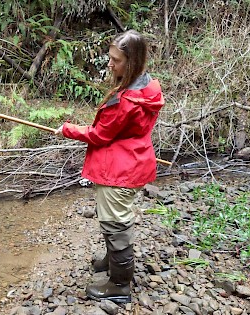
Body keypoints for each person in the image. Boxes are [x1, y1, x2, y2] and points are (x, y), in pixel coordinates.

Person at [54, 29, 165, 303]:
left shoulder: (126, 102)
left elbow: (99, 134)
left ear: (133, 62)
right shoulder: (148, 86)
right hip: (134, 160)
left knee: (115, 223)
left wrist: (68, 129)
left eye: (116, 60)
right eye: (110, 58)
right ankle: (112, 261)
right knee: (112, 216)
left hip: (120, 169)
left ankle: (119, 284)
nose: (110, 64)